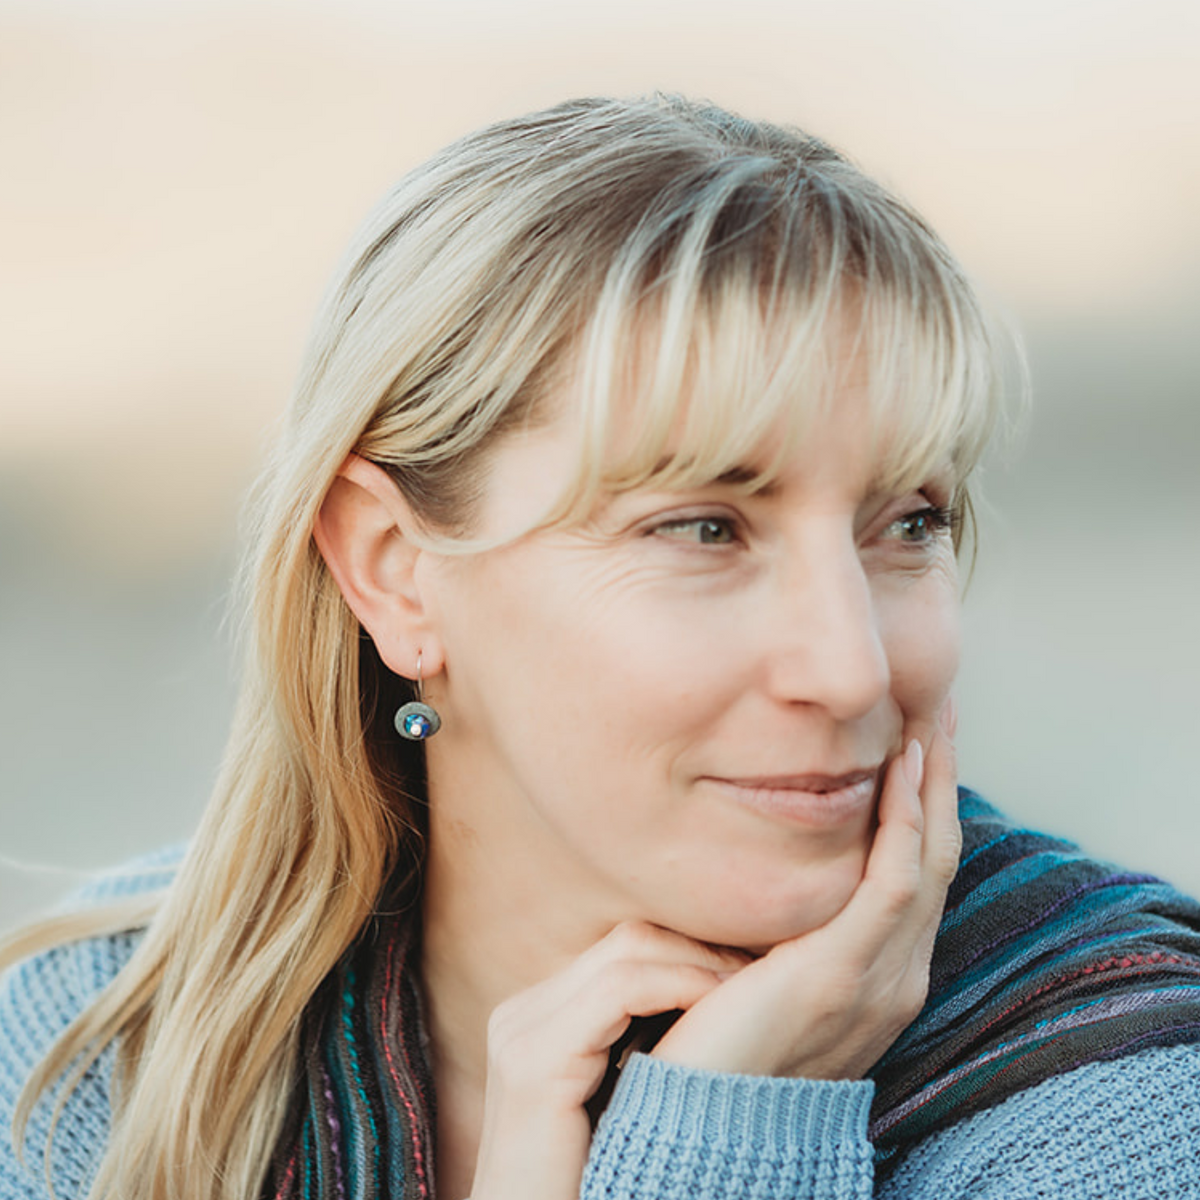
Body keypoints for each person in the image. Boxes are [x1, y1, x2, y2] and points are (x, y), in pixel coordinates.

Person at [2, 94, 1199, 1200]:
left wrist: (728, 1133)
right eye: (702, 527)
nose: (849, 669)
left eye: (909, 524)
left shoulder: (1128, 1112)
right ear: (392, 568)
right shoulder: (92, 1052)